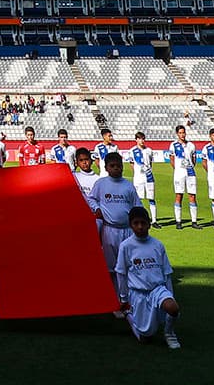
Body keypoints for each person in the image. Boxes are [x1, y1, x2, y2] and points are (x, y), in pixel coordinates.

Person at [116, 206, 181, 350]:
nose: (140, 227)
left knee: (173, 308)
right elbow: (121, 273)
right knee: (145, 338)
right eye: (136, 223)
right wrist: (124, 298)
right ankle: (129, 314)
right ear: (130, 225)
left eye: (143, 223)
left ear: (149, 223)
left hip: (157, 289)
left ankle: (169, 334)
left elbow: (166, 272)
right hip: (138, 293)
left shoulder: (157, 245)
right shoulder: (126, 246)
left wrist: (170, 294)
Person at [89, 151, 142, 314]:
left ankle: (129, 298)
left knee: (128, 266)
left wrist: (141, 221)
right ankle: (115, 301)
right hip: (109, 231)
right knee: (111, 267)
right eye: (112, 166)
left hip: (127, 232)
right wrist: (97, 209)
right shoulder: (101, 183)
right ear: (106, 167)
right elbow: (91, 198)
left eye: (119, 166)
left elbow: (137, 205)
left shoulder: (128, 185)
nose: (116, 169)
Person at [169, 125, 199, 229]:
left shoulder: (191, 145)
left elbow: (194, 160)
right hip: (179, 174)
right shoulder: (173, 145)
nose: (182, 134)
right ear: (177, 134)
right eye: (180, 133)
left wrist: (189, 166)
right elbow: (172, 160)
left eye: (183, 132)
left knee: (192, 196)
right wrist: (178, 169)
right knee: (179, 196)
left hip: (190, 173)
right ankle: (178, 221)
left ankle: (194, 221)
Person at [126, 132, 158, 227]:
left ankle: (154, 220)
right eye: (140, 139)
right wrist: (137, 172)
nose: (142, 140)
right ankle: (138, 219)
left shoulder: (149, 150)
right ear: (136, 140)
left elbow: (151, 163)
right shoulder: (132, 151)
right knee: (138, 199)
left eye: (143, 138)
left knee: (151, 198)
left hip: (149, 178)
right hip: (138, 178)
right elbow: (131, 164)